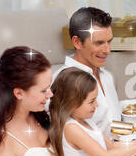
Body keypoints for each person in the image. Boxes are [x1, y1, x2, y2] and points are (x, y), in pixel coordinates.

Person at [51, 7, 120, 136]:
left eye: (109, 42)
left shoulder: (107, 76)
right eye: (99, 43)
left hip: (121, 149)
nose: (107, 50)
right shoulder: (63, 81)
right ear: (77, 42)